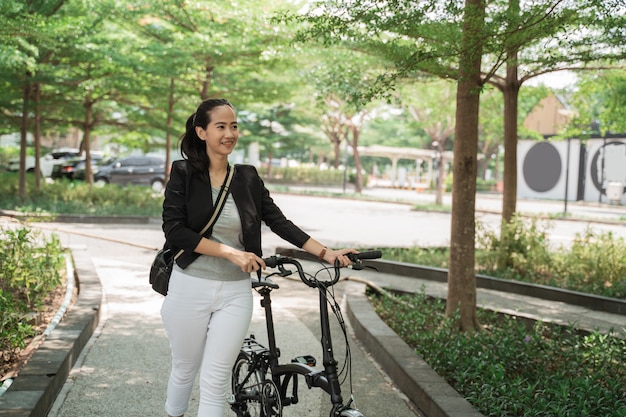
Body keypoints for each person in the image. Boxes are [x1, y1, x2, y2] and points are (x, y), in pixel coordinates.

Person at [160, 98, 356, 417]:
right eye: (221, 126)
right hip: (190, 287)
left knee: (215, 380)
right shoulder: (183, 173)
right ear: (201, 132)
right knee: (184, 368)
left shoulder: (247, 177)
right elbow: (175, 231)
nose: (230, 133)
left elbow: (278, 221)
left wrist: (327, 253)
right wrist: (231, 253)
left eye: (234, 126)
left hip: (235, 293)